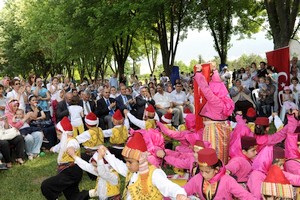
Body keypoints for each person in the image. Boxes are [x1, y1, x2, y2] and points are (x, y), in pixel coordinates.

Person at [100, 132, 189, 199]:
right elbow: (118, 165)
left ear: (141, 160)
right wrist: (106, 154)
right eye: (126, 161)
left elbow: (168, 186)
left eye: (130, 162)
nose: (127, 164)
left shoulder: (154, 173)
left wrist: (179, 193)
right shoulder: (131, 171)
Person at [194, 63, 234, 164]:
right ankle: (221, 169)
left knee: (212, 152)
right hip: (224, 129)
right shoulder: (227, 100)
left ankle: (213, 171)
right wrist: (214, 70)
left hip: (214, 129)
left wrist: (198, 73)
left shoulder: (215, 100)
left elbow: (205, 89)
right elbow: (218, 81)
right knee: (222, 152)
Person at [41, 117, 89, 200]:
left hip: (71, 171)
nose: (58, 137)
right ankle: (92, 193)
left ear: (65, 133)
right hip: (72, 171)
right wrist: (52, 149)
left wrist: (71, 151)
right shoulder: (65, 140)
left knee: (46, 185)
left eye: (59, 134)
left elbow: (71, 145)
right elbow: (59, 146)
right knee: (73, 197)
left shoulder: (72, 141)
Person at [181, 148, 255, 199]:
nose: (203, 175)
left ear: (216, 169)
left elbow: (245, 195)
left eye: (207, 172)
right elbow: (181, 192)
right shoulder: (197, 179)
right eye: (201, 171)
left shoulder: (227, 181)